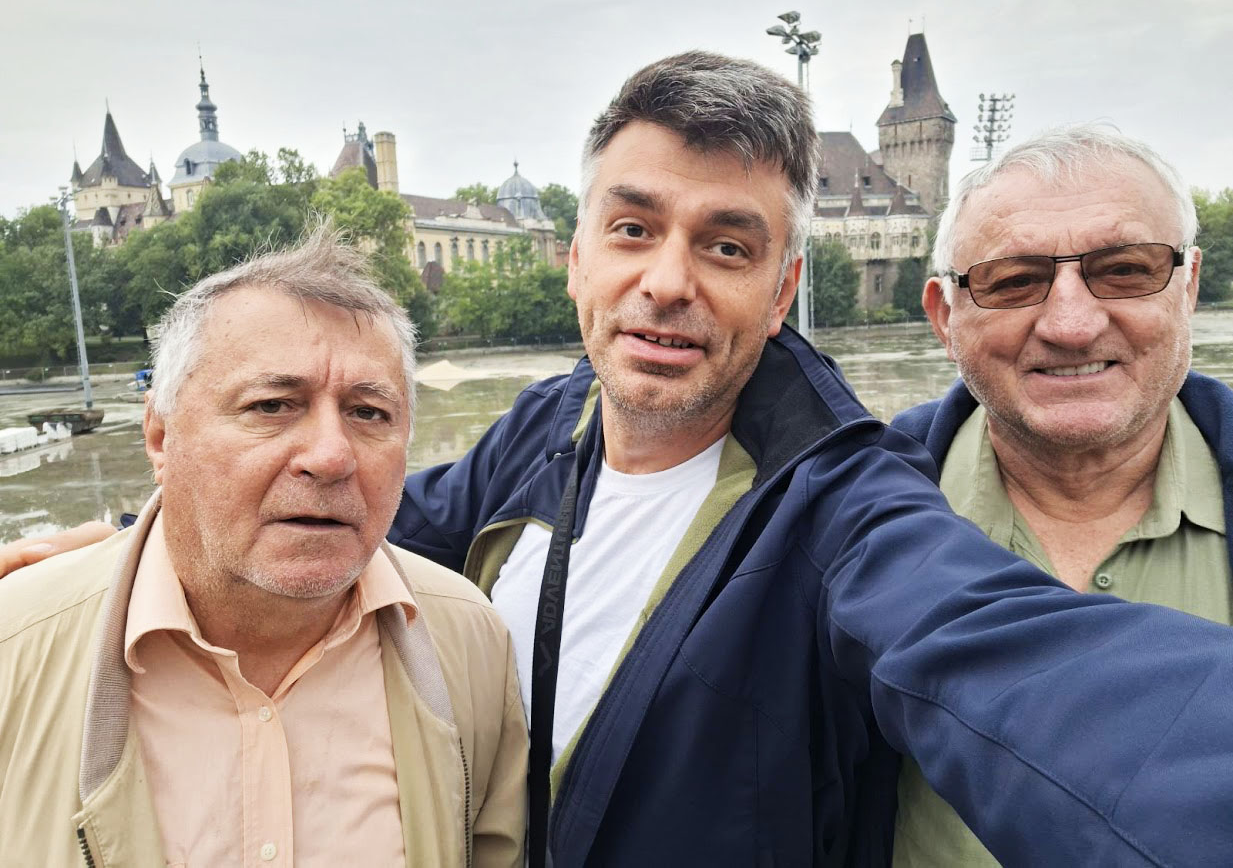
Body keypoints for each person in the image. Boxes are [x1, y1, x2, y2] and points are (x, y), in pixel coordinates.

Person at [12, 54, 1233, 867]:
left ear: (784, 292)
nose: (668, 281)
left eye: (728, 245)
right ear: (576, 259)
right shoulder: (540, 431)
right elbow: (351, 508)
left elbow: (1002, 658)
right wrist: (137, 535)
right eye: (635, 228)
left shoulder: (843, 498)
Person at [0, 232, 527, 867]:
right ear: (160, 436)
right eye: (271, 405)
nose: (331, 456)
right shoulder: (14, 647)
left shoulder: (470, 643)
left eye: (368, 413)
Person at [889, 124, 1233, 867]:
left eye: (1125, 270)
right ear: (945, 317)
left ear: (1189, 286)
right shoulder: (831, 528)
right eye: (1013, 280)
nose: (1072, 325)